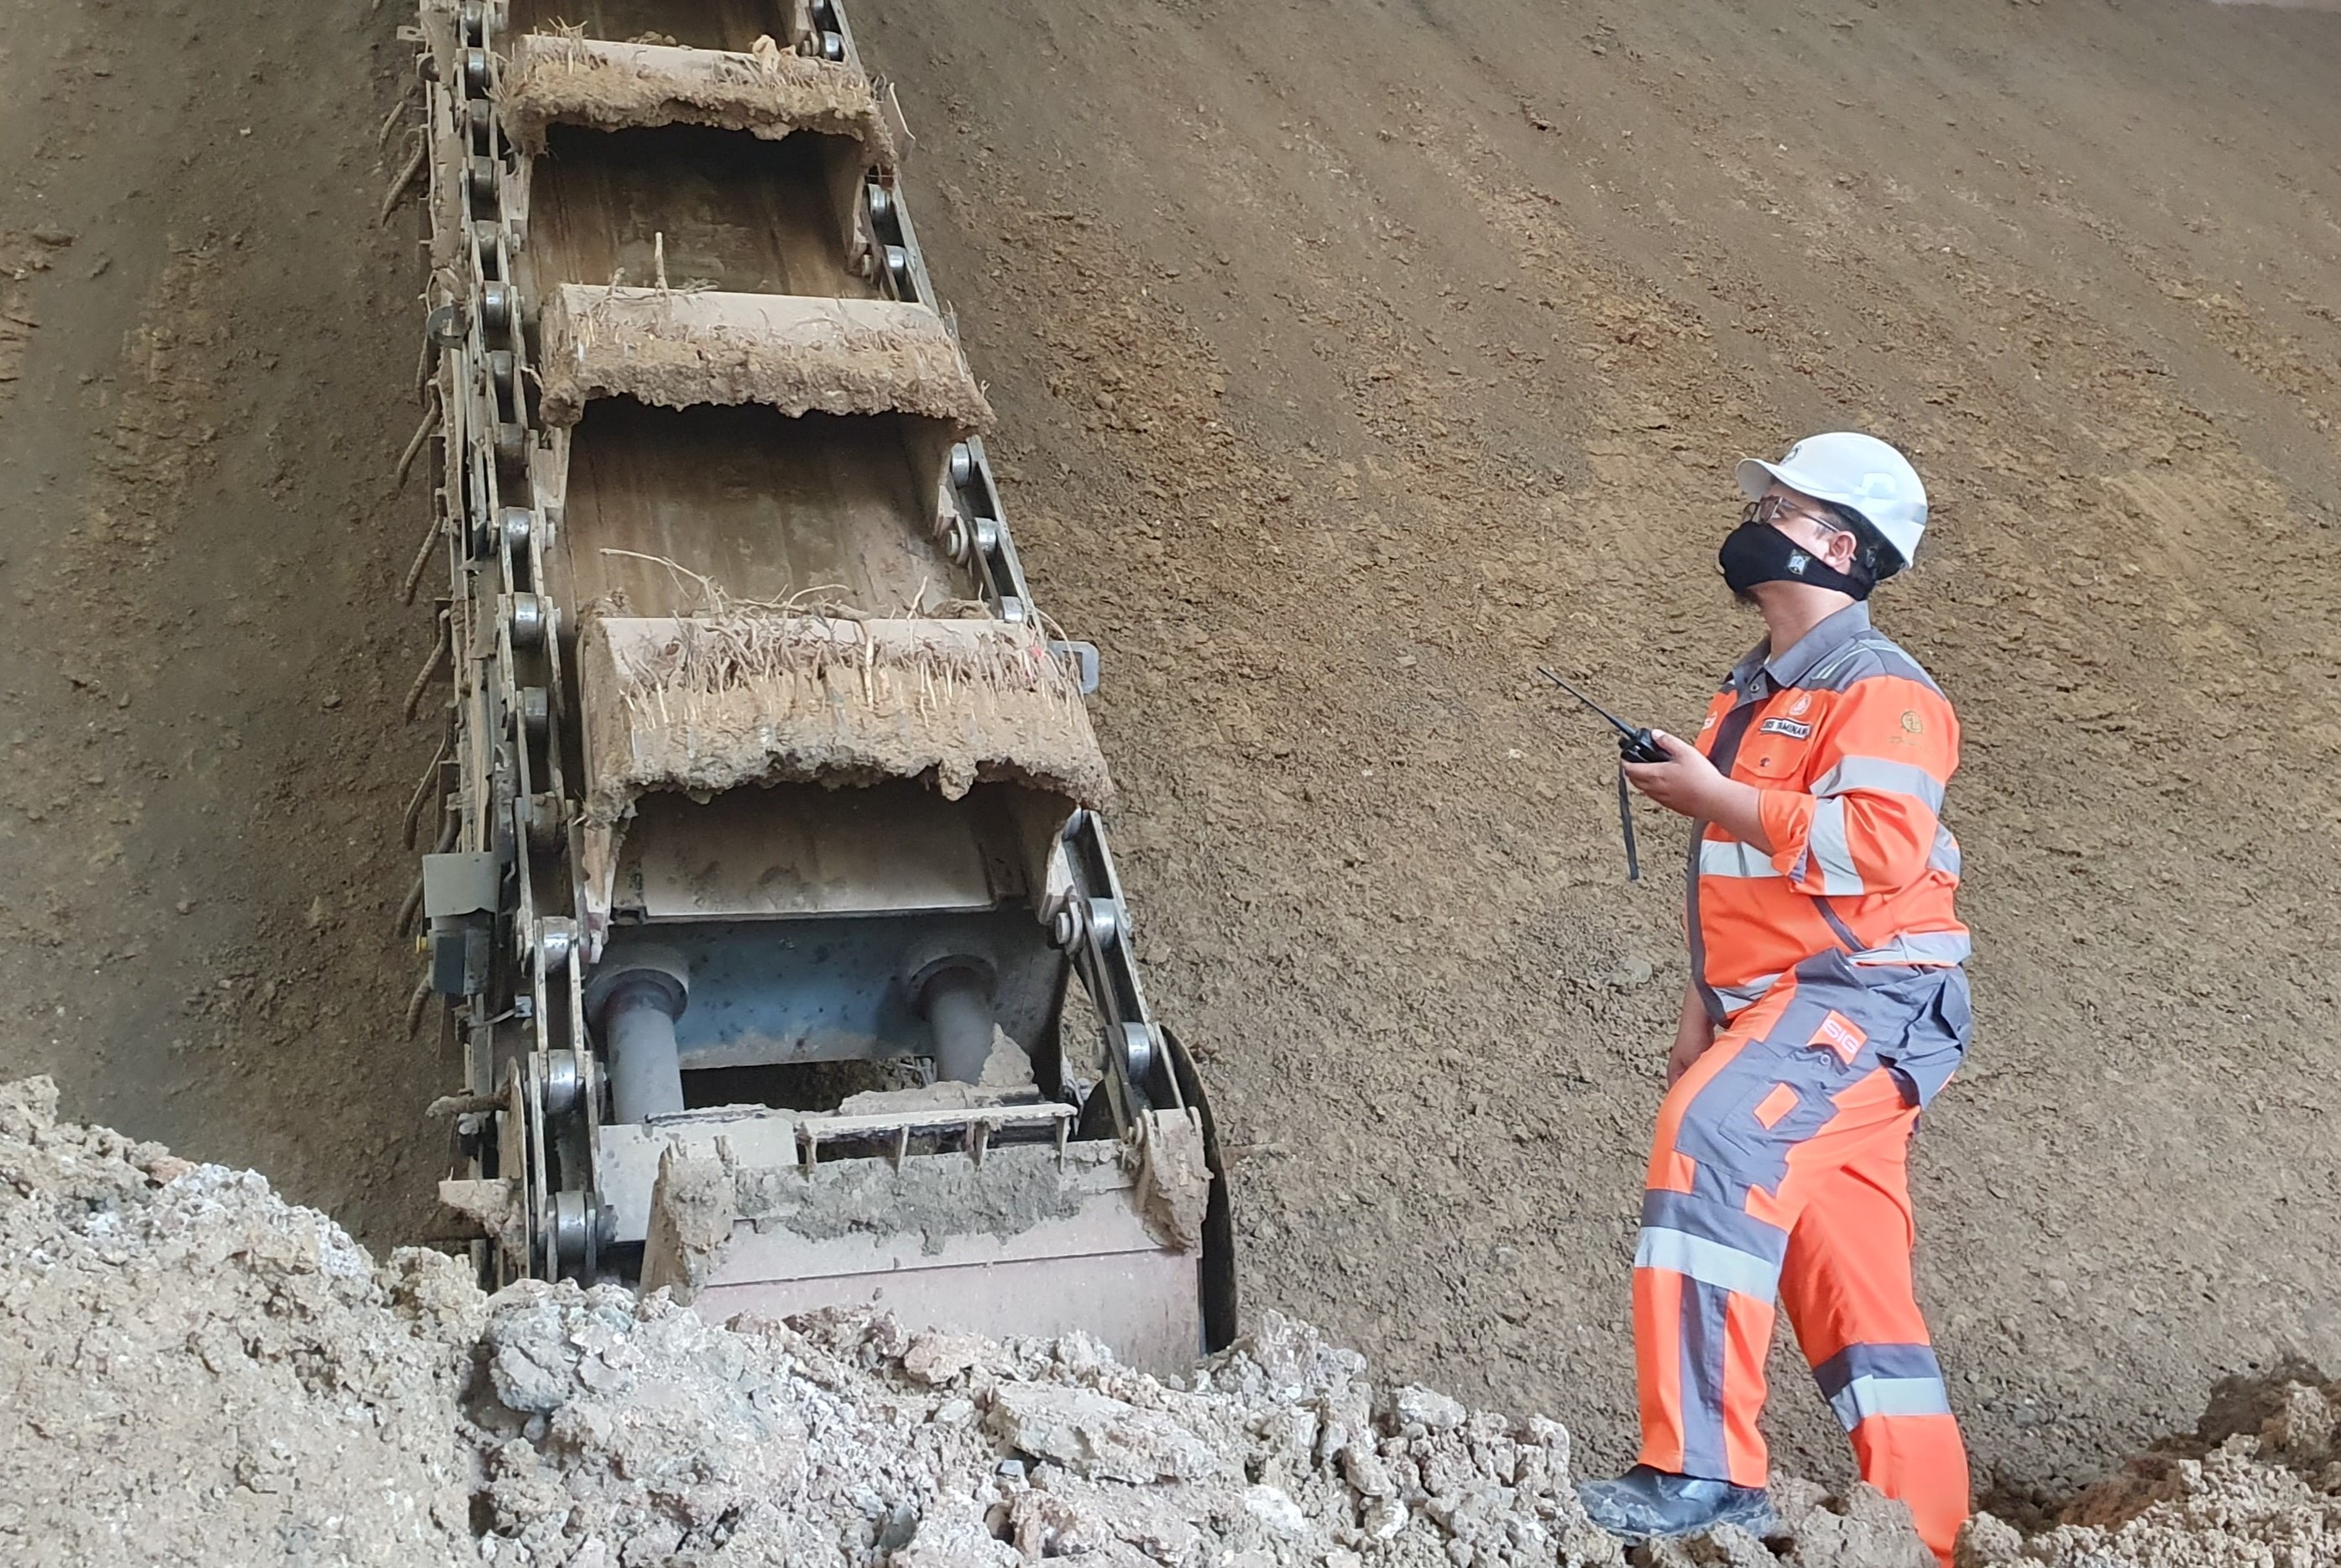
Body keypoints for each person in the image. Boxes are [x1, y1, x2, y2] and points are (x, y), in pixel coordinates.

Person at [1575, 433, 1974, 1565]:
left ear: (1843, 548)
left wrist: (1716, 797)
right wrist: (1703, 1013)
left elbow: (1883, 849)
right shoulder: (1748, 692)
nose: (1756, 521)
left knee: (1712, 1145)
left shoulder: (1881, 689)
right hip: (1784, 1007)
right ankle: (1932, 1541)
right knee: (1857, 1299)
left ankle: (1701, 1472)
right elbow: (1737, 881)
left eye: (1785, 511)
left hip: (1866, 995)